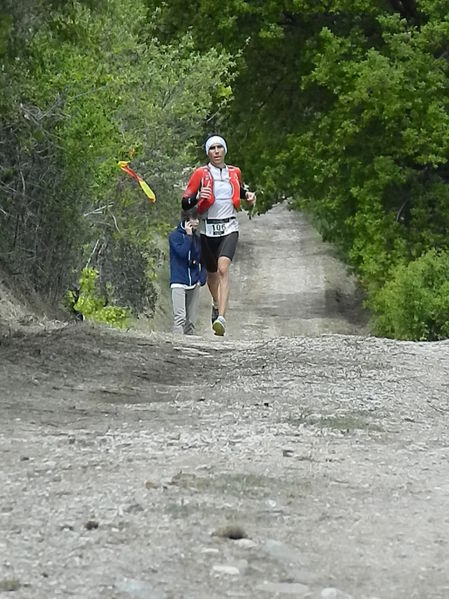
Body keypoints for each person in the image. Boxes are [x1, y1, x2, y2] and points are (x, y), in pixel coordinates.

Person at [181, 135, 256, 336]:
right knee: (212, 273)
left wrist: (249, 197)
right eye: (212, 148)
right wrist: (198, 197)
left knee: (223, 269)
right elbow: (185, 202)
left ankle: (221, 318)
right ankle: (216, 302)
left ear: (224, 150)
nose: (216, 151)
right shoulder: (200, 174)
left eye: (219, 147)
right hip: (207, 229)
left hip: (229, 227)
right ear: (208, 152)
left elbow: (239, 191)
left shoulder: (234, 172)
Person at [168, 206, 206, 335]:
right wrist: (188, 237)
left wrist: (202, 278)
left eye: (198, 219)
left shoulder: (198, 239)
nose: (196, 222)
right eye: (194, 219)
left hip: (194, 283)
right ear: (186, 219)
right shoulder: (174, 237)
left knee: (191, 320)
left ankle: (189, 347)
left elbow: (204, 261)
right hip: (179, 281)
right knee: (180, 318)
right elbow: (182, 253)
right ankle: (177, 345)